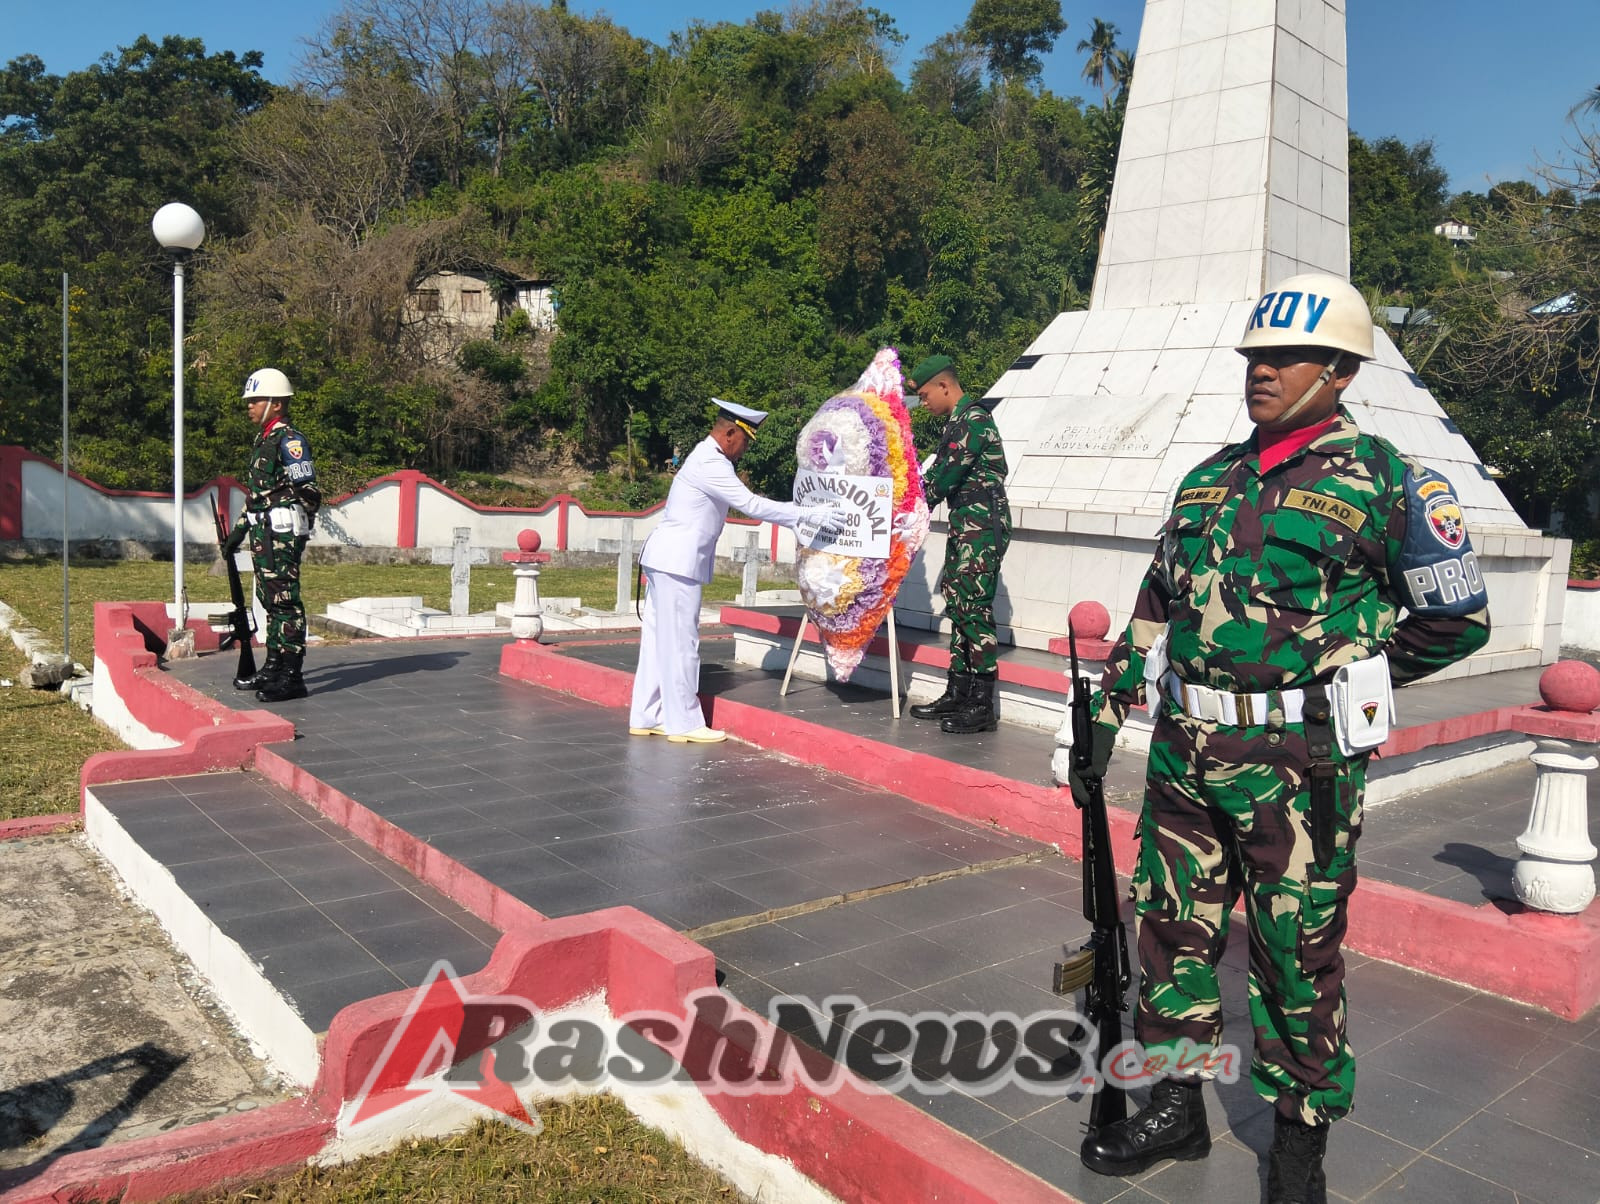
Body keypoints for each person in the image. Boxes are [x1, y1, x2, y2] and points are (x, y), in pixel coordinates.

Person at [1065, 274, 1490, 1202]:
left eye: (1283, 358)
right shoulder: (1208, 477)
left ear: (1339, 370)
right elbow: (1156, 605)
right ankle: (1177, 1110)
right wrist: (1102, 718)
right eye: (1253, 357)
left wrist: (1349, 684)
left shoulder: (1390, 480)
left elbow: (1457, 620)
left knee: (1296, 958)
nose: (1260, 372)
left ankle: (1298, 1154)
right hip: (1185, 755)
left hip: (1300, 769)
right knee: (1171, 936)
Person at [630, 400, 835, 744]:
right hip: (677, 562)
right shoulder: (712, 462)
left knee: (657, 642)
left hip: (668, 559)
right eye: (745, 441)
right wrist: (807, 515)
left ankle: (647, 714)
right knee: (681, 643)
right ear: (729, 434)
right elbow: (751, 504)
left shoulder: (704, 456)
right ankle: (683, 722)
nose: (744, 450)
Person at [904, 354, 1011, 734]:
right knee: (958, 602)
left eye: (926, 393)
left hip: (981, 524)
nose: (923, 402)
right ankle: (959, 690)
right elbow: (935, 476)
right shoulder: (959, 422)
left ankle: (981, 704)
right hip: (966, 522)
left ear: (945, 386)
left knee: (974, 607)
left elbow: (941, 479)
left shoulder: (973, 421)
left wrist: (902, 504)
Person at [221, 368, 321, 703]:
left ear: (275, 403)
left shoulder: (290, 440)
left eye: (255, 400)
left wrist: (296, 533)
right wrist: (236, 534)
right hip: (263, 533)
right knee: (269, 600)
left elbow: (308, 491)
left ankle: (292, 675)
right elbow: (257, 497)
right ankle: (274, 665)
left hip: (280, 534)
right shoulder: (263, 440)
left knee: (285, 603)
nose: (249, 406)